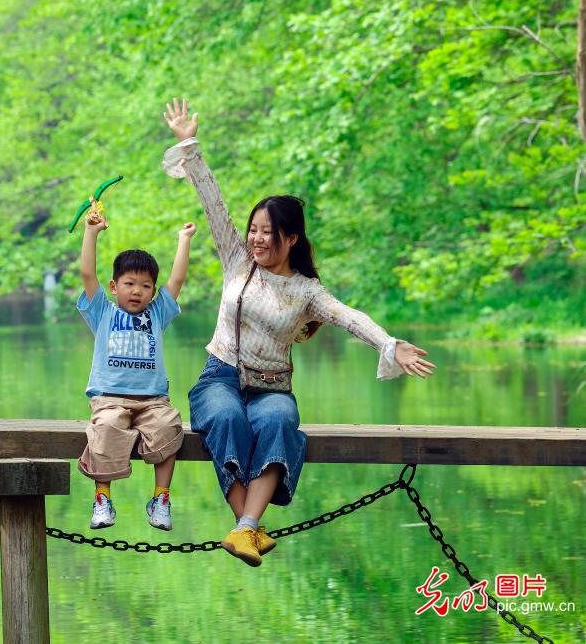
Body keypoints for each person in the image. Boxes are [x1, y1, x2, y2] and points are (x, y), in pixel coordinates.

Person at [161, 98, 436, 566]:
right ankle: (248, 528)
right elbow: (213, 202)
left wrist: (389, 343)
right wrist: (189, 143)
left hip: (272, 387)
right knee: (225, 419)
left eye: (268, 232)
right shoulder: (237, 263)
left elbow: (350, 316)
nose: (257, 239)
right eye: (254, 230)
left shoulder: (308, 292)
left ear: (291, 239)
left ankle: (244, 529)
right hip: (220, 376)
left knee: (279, 422)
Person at [77, 197, 197, 532]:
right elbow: (87, 272)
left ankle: (161, 498)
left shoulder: (157, 313)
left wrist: (183, 241)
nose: (137, 291)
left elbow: (177, 281)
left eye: (145, 286)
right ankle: (102, 498)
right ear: (114, 286)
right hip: (109, 398)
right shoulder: (103, 311)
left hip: (152, 400)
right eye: (129, 284)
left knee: (170, 426)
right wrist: (92, 233)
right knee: (106, 427)